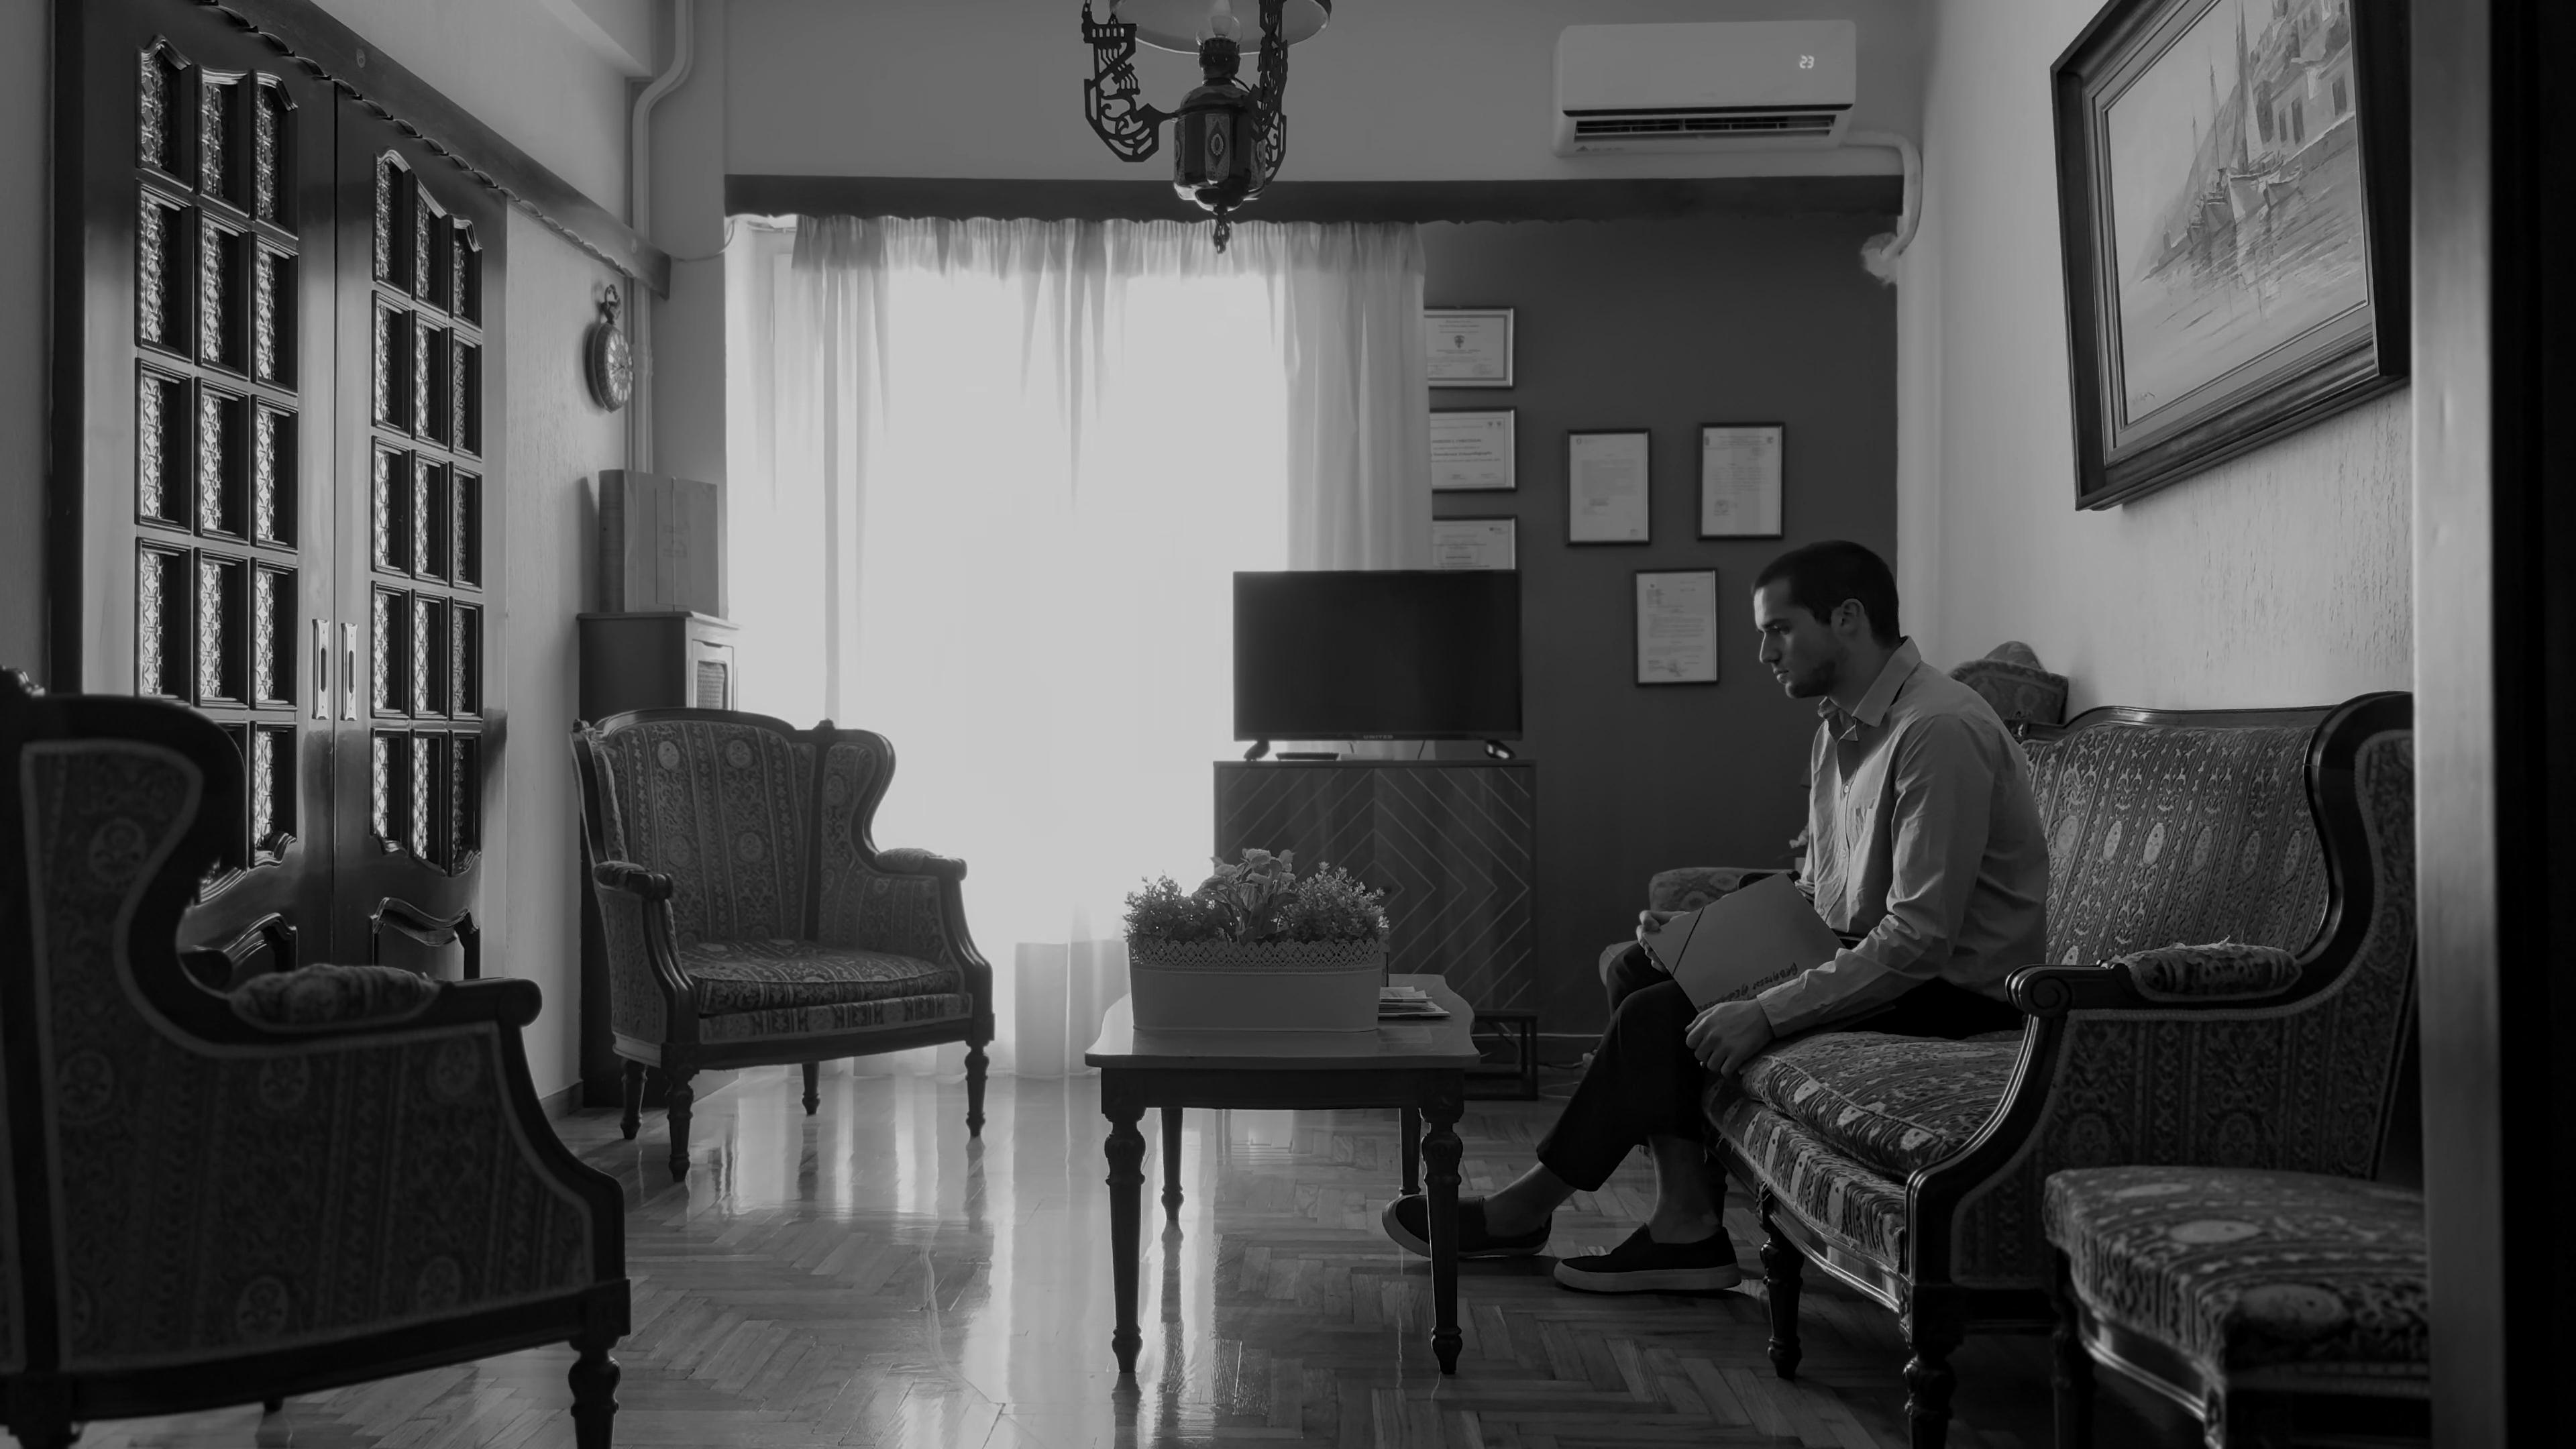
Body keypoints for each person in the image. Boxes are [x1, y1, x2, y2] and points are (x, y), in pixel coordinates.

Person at [1380, 539, 2049, 1291]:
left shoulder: (1937, 729)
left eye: (1779, 629)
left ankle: (1528, 1208)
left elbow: (1921, 940)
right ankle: (1686, 1222)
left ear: (1848, 618)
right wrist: (1704, 937)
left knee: (1655, 1017)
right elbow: (1824, 895)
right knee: (1639, 969)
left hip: (1955, 994)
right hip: (1884, 962)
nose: (1765, 653)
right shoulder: (1840, 728)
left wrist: (1764, 1012)